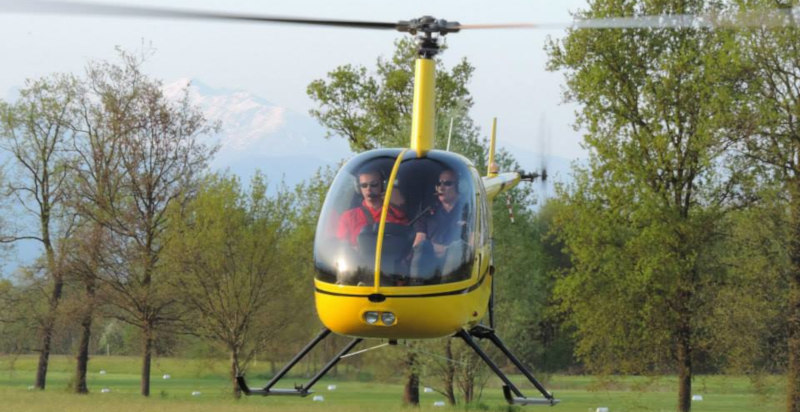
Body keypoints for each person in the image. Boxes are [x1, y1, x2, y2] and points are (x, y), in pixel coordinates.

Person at [410, 168, 470, 282]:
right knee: (422, 246)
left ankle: (449, 286)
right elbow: (419, 240)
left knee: (457, 247)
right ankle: (415, 285)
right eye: (439, 183)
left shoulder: (468, 210)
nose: (441, 188)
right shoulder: (427, 210)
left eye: (447, 183)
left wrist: (446, 249)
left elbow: (473, 243)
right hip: (430, 263)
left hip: (458, 265)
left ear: (459, 186)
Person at [336, 169, 408, 247]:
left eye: (374, 184)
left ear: (383, 186)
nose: (368, 189)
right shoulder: (348, 217)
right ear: (358, 188)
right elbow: (341, 247)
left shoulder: (396, 213)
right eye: (364, 185)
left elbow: (408, 242)